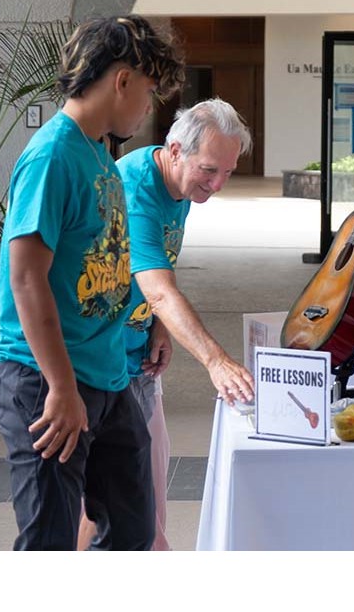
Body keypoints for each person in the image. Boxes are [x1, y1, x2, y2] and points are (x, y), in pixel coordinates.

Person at [0, 15, 186, 550]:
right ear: (122, 80)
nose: (148, 107)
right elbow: (26, 277)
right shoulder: (53, 155)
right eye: (149, 91)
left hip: (106, 377)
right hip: (44, 378)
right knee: (49, 542)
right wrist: (60, 386)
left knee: (133, 529)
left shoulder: (99, 152)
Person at [105, 98, 257, 550]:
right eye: (209, 170)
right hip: (96, 361)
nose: (218, 184)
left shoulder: (181, 188)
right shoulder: (135, 191)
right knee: (115, 510)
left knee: (150, 500)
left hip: (136, 355)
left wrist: (159, 326)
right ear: (175, 150)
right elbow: (159, 290)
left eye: (227, 172)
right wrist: (216, 361)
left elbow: (157, 267)